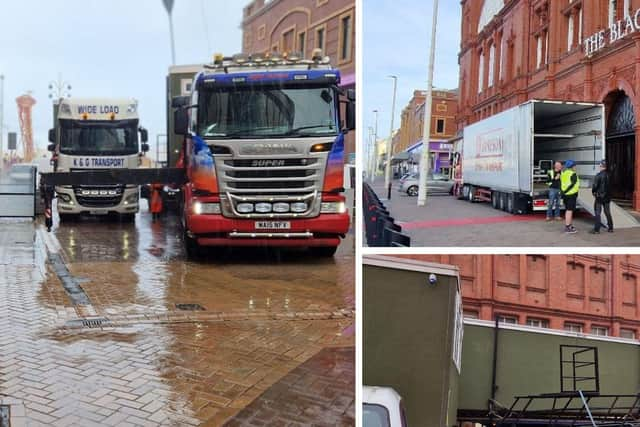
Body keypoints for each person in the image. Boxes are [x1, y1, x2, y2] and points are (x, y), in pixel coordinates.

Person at [590, 160, 613, 234]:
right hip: (607, 197)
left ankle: (597, 229)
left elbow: (595, 186)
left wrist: (593, 192)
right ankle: (610, 227)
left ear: (601, 166)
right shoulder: (609, 175)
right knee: (607, 212)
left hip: (599, 197)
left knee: (597, 212)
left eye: (599, 165)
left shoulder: (598, 175)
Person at [561, 160, 579, 234]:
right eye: (574, 166)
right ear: (572, 166)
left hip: (566, 195)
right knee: (569, 210)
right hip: (571, 194)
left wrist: (564, 192)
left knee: (568, 210)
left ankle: (569, 225)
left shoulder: (564, 173)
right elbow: (572, 185)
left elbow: (562, 184)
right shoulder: (573, 174)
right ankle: (568, 227)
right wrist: (567, 191)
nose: (575, 167)